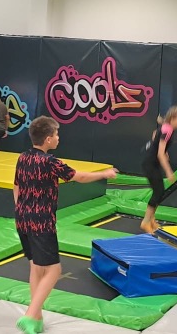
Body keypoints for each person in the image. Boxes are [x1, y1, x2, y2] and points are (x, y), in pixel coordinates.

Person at [13, 116, 117, 334]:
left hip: (22, 218)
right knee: (54, 270)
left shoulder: (23, 158)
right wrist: (105, 174)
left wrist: (21, 210)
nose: (59, 138)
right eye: (57, 134)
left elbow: (16, 187)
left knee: (36, 266)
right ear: (48, 139)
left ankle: (37, 318)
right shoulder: (50, 162)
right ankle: (30, 314)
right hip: (41, 222)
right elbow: (79, 177)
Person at [141, 104, 177, 234]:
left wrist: (165, 151)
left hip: (151, 162)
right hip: (150, 163)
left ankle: (151, 220)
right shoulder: (167, 130)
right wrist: (168, 171)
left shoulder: (167, 127)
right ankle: (145, 222)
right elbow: (160, 154)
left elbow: (155, 135)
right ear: (172, 119)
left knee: (159, 192)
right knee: (158, 192)